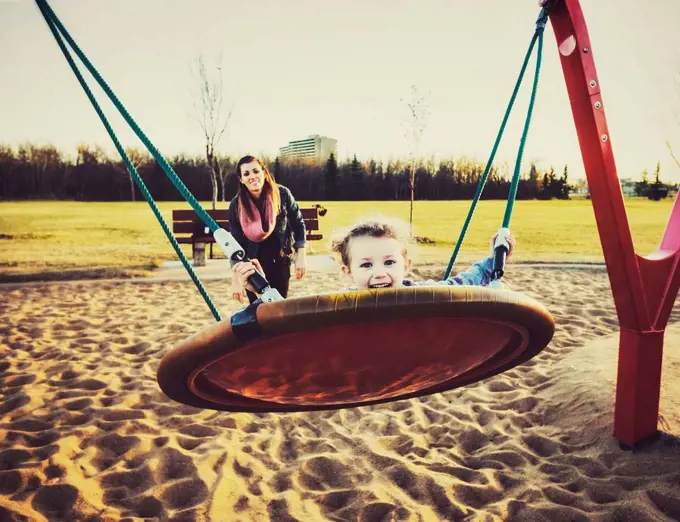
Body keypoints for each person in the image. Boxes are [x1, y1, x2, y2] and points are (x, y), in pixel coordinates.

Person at [233, 215, 515, 295]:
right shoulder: (338, 305)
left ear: (406, 265)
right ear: (347, 271)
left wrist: (494, 261)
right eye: (366, 264)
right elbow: (289, 321)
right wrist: (260, 289)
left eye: (390, 262)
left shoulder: (421, 294)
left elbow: (463, 284)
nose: (379, 273)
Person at [229, 155, 307, 303]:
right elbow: (235, 245)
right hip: (253, 266)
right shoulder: (236, 206)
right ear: (241, 179)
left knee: (279, 305)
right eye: (246, 174)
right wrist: (236, 279)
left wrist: (301, 256)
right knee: (259, 308)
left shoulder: (282, 194)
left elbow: (298, 224)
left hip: (280, 261)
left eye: (255, 171)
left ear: (264, 172)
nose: (252, 177)